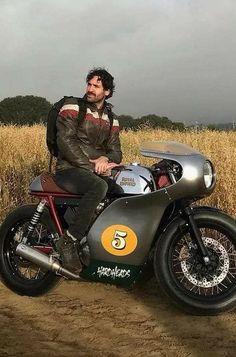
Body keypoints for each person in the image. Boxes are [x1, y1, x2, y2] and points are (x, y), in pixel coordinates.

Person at [54, 68, 122, 274]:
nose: (90, 89)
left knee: (119, 193)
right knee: (98, 186)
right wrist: (90, 165)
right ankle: (69, 241)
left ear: (107, 92)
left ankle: (91, 242)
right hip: (69, 169)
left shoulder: (112, 118)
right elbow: (65, 140)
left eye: (96, 86)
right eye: (89, 84)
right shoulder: (73, 106)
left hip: (91, 171)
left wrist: (106, 159)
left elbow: (116, 151)